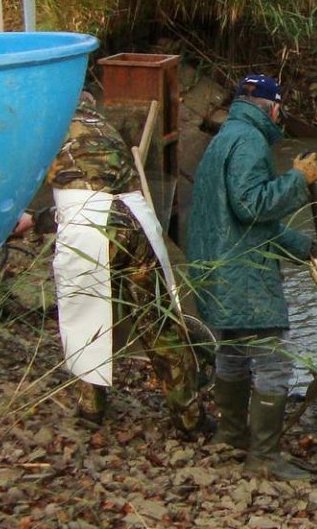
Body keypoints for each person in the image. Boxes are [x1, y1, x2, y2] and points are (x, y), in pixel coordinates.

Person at [184, 73, 317, 479]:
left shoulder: (225, 137)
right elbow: (250, 207)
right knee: (272, 362)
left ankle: (232, 437)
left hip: (217, 268)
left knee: (233, 352)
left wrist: (302, 247)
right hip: (244, 275)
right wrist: (297, 180)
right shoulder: (251, 142)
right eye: (281, 110)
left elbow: (241, 222)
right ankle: (263, 457)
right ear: (273, 108)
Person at [40, 92, 199, 426]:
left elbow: (68, 193)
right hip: (135, 221)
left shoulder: (47, 129)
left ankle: (91, 409)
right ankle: (189, 415)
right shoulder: (104, 127)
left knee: (86, 316)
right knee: (158, 321)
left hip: (89, 226)